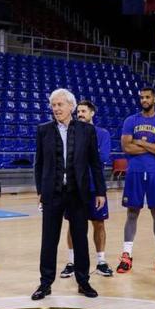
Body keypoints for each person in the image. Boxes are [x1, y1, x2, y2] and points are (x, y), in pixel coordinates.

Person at [31, 89, 106, 300]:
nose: (56, 109)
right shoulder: (43, 130)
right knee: (49, 240)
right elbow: (39, 164)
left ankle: (83, 282)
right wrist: (40, 190)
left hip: (78, 192)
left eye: (60, 105)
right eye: (53, 105)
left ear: (71, 107)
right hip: (52, 192)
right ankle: (45, 284)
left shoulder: (86, 131)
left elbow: (95, 163)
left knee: (80, 238)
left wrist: (100, 191)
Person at [119, 87, 155, 273]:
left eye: (147, 97)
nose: (144, 100)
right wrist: (152, 146)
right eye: (142, 97)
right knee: (132, 213)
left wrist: (140, 142)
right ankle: (126, 254)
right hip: (135, 171)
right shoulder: (130, 121)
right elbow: (126, 147)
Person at [59, 100, 112, 278]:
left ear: (92, 113)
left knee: (99, 223)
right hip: (73, 187)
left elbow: (102, 157)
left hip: (94, 186)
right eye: (78, 111)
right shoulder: (70, 132)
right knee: (72, 224)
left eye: (84, 111)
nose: (80, 114)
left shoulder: (102, 134)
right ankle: (72, 262)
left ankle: (101, 261)